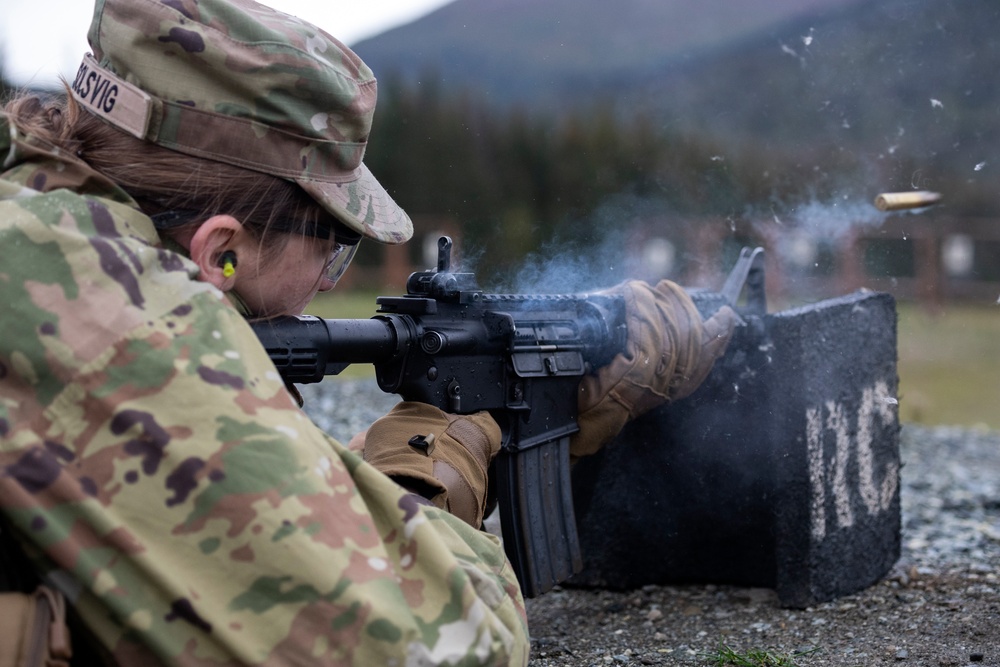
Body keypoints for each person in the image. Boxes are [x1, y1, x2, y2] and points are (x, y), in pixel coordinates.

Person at [0, 0, 738, 664]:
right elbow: (438, 644)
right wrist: (442, 459)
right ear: (219, 252)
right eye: (334, 245)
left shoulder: (45, 226)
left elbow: (216, 494)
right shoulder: (119, 325)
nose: (329, 280)